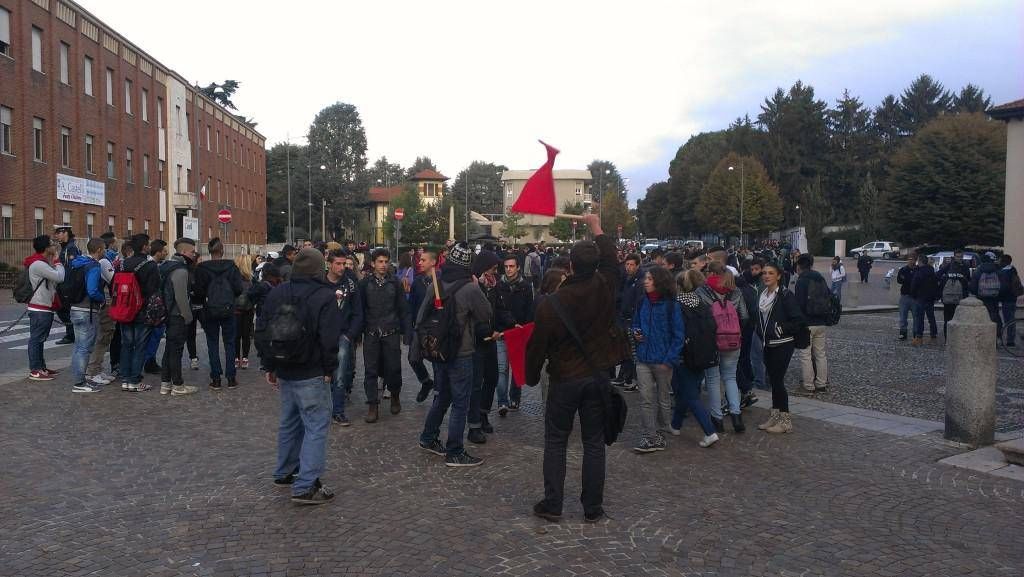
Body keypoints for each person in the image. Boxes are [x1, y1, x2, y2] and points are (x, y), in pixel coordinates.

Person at [526, 213, 627, 524]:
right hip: (597, 375)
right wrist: (596, 225)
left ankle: (553, 503)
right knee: (594, 443)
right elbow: (611, 258)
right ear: (595, 265)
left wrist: (530, 376)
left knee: (556, 440)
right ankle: (592, 507)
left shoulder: (550, 304)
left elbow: (537, 346)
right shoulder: (606, 285)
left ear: (569, 266)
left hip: (565, 378)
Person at [261, 248, 343, 505]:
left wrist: (269, 365)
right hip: (312, 369)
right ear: (319, 269)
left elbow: (262, 329)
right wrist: (330, 370)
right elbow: (329, 339)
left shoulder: (277, 292)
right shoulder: (324, 295)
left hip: (285, 367)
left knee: (289, 421)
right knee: (316, 426)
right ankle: (306, 485)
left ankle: (285, 471)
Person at [416, 242, 493, 467]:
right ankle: (455, 451)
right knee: (461, 402)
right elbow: (485, 313)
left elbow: (421, 317)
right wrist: (478, 287)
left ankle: (428, 438)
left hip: (438, 350)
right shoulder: (469, 287)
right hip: (461, 352)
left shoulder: (436, 284)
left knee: (443, 396)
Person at [630, 266, 684, 453]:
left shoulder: (671, 306)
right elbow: (635, 323)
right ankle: (650, 436)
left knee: (663, 399)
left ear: (659, 282)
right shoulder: (641, 302)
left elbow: (679, 335)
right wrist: (635, 332)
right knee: (645, 399)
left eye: (650, 279)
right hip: (643, 358)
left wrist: (668, 360)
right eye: (646, 278)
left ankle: (661, 428)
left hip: (662, 360)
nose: (646, 281)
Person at [355, 248, 411, 422]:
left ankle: (395, 394)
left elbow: (403, 309)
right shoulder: (364, 284)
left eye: (386, 261)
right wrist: (358, 333)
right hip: (371, 333)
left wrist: (407, 332)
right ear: (373, 263)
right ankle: (373, 404)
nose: (383, 265)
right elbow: (360, 310)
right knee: (370, 370)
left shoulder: (395, 283)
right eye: (380, 261)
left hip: (391, 332)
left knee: (393, 368)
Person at [756, 263, 807, 434]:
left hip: (783, 343)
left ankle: (785, 420)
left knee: (778, 381)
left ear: (778, 276)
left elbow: (798, 320)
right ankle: (775, 415)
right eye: (764, 273)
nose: (766, 276)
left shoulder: (785, 295)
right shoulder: (762, 295)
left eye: (770, 273)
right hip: (768, 343)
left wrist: (780, 328)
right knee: (773, 380)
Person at [698, 262, 749, 432]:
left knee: (712, 379)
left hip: (712, 341)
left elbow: (700, 318)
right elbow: (744, 316)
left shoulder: (703, 291)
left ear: (710, 273)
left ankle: (717, 418)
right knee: (730, 377)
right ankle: (736, 416)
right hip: (733, 341)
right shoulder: (735, 291)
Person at [674, 269, 720, 447]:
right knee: (686, 391)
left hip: (685, 354)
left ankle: (709, 431)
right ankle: (675, 424)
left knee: (690, 395)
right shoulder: (703, 304)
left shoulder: (677, 305)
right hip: (705, 353)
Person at [193, 238, 244, 389]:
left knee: (212, 343)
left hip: (209, 310)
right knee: (229, 343)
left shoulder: (202, 268)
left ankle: (216, 378)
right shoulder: (232, 267)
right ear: (222, 250)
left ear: (209, 251)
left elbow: (198, 292)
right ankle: (231, 377)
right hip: (228, 309)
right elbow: (239, 289)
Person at [117, 234, 160, 392]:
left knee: (126, 344)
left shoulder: (122, 264)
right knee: (140, 346)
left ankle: (125, 378)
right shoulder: (149, 265)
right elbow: (154, 289)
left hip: (124, 309)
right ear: (144, 247)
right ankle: (135, 380)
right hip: (142, 310)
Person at [325, 249, 363, 426]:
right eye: (338, 264)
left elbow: (357, 311)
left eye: (343, 263)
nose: (341, 267)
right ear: (329, 264)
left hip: (343, 335)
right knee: (321, 376)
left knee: (340, 375)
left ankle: (338, 411)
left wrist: (350, 335)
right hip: (322, 335)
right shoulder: (320, 283)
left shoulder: (350, 284)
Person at [158, 238, 199, 396]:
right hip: (177, 315)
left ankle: (165, 383)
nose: (194, 254)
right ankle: (178, 385)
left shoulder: (167, 266)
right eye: (192, 252)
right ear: (183, 252)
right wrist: (187, 316)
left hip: (169, 314)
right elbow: (181, 297)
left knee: (169, 349)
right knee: (176, 350)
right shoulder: (181, 270)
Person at [495, 255, 534, 415]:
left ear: (518, 267)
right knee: (502, 368)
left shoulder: (526, 286)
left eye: (512, 266)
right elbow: (496, 309)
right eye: (506, 266)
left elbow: (530, 309)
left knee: (517, 367)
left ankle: (514, 398)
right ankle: (502, 401)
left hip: (519, 333)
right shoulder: (499, 285)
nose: (509, 269)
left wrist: (526, 329)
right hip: (503, 332)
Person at [66, 239, 107, 393]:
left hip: (75, 307)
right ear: (98, 250)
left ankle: (79, 378)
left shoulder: (77, 262)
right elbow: (92, 290)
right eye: (103, 249)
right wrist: (101, 299)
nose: (104, 252)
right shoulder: (94, 266)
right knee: (85, 348)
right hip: (87, 309)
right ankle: (80, 382)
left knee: (78, 347)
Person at [24, 236, 66, 381]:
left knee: (40, 339)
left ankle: (41, 367)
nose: (54, 246)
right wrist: (57, 261)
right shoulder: (38, 264)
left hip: (43, 305)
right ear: (46, 248)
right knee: (36, 339)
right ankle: (35, 370)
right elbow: (60, 277)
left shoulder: (42, 263)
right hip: (40, 307)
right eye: (52, 244)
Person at [794, 254, 830, 392]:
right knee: (820, 354)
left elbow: (799, 304)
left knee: (805, 354)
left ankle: (808, 384)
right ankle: (821, 383)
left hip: (807, 322)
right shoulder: (819, 277)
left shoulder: (801, 280)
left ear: (799, 266)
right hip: (821, 321)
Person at [85, 234, 118, 386]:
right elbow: (114, 280)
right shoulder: (101, 262)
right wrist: (103, 299)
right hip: (102, 304)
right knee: (103, 337)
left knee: (101, 337)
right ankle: (93, 371)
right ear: (100, 249)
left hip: (92, 305)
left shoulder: (86, 262)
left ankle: (96, 369)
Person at [408, 250, 437, 403]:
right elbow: (412, 305)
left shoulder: (440, 280)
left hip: (435, 328)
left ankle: (439, 392)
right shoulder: (417, 282)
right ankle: (426, 381)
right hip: (419, 327)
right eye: (420, 260)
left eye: (423, 260)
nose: (419, 262)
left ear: (433, 262)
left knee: (437, 360)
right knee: (413, 358)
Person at [614, 253, 642, 391]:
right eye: (627, 264)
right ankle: (625, 376)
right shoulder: (626, 279)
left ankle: (634, 379)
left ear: (637, 265)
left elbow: (637, 301)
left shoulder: (639, 281)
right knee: (626, 349)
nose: (628, 267)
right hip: (624, 318)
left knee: (633, 351)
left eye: (631, 265)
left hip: (632, 319)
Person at [142, 239, 170, 376]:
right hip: (153, 306)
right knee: (154, 335)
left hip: (148, 304)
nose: (166, 253)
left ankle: (148, 360)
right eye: (164, 251)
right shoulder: (153, 266)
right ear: (158, 252)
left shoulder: (148, 264)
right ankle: (149, 361)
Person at [53, 225, 81, 345]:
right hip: (63, 286)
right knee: (62, 310)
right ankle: (71, 333)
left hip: (67, 287)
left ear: (65, 233)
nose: (56, 235)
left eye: (59, 233)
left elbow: (71, 270)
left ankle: (71, 334)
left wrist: (66, 288)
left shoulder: (71, 248)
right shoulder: (65, 247)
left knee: (64, 310)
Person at [937, 250, 971, 339]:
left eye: (961, 257)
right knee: (955, 319)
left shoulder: (950, 266)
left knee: (949, 319)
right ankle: (952, 339)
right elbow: (968, 281)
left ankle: (949, 339)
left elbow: (938, 275)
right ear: (954, 257)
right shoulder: (964, 267)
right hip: (957, 297)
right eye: (958, 257)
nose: (960, 258)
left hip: (952, 298)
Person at [909, 253, 938, 345]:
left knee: (919, 319)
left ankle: (919, 338)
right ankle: (933, 336)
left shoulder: (919, 272)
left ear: (920, 261)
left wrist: (913, 295)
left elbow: (914, 285)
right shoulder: (931, 271)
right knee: (931, 318)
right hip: (930, 298)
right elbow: (935, 285)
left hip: (920, 297)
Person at [233, 255, 256, 370]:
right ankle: (245, 358)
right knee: (246, 334)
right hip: (248, 309)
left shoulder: (233, 278)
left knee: (236, 335)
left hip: (235, 309)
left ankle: (236, 358)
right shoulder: (251, 279)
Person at [998, 254, 1020, 347]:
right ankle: (1010, 339)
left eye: (1000, 260)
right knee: (1010, 318)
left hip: (1007, 299)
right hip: (1012, 298)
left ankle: (1010, 341)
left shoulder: (1004, 272)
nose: (999, 262)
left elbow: (1004, 287)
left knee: (1009, 320)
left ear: (1004, 262)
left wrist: (998, 295)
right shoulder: (1013, 270)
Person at [895, 255, 917, 340]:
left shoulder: (917, 269)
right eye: (909, 259)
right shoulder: (903, 269)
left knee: (916, 317)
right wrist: (908, 279)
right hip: (905, 296)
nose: (911, 261)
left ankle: (916, 333)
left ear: (915, 261)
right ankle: (903, 333)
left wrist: (907, 279)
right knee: (903, 317)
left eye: (912, 259)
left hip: (915, 297)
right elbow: (899, 280)